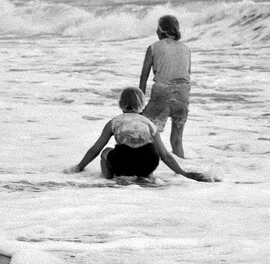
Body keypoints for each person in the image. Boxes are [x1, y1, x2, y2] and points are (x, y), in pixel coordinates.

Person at [66, 87, 214, 182]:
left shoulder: (114, 122)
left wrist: (79, 166)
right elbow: (165, 156)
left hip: (123, 163)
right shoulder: (149, 123)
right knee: (148, 150)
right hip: (147, 162)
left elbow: (95, 149)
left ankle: (110, 180)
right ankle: (147, 178)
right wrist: (183, 173)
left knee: (105, 151)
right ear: (142, 105)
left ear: (120, 104)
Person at [139, 14, 191, 158]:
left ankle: (147, 174)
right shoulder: (186, 49)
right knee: (177, 141)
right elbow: (187, 74)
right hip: (183, 96)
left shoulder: (154, 47)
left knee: (145, 134)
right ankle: (181, 176)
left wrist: (140, 103)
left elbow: (144, 77)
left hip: (162, 94)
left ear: (161, 30)